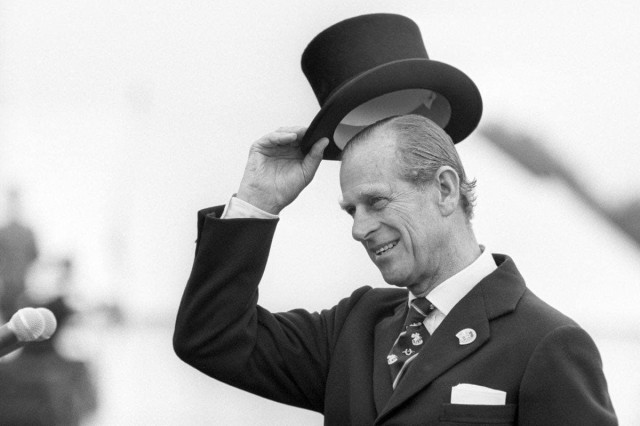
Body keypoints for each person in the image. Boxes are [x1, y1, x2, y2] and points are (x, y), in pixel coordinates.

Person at [173, 115, 617, 425]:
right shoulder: (355, 326)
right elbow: (212, 338)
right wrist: (257, 200)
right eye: (352, 211)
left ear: (445, 190)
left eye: (376, 201)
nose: (359, 229)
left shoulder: (546, 343)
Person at [0, 187, 39, 321]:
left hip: (23, 286)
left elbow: (34, 257)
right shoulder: (2, 232)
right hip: (5, 286)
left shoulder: (27, 233)